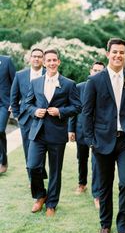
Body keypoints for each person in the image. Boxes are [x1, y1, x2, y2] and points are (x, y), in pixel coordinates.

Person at [82, 38, 125, 233]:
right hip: (102, 141)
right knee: (105, 186)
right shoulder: (95, 81)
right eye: (114, 52)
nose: (118, 56)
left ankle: (123, 231)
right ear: (108, 54)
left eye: (122, 52)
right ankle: (105, 225)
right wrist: (91, 140)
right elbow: (87, 113)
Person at [25, 49, 81, 217]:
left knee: (55, 170)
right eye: (48, 60)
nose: (51, 63)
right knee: (32, 166)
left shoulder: (69, 84)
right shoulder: (35, 83)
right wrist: (35, 111)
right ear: (43, 62)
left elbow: (77, 106)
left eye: (54, 60)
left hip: (57, 134)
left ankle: (51, 203)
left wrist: (61, 111)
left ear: (59, 62)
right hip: (38, 133)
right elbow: (27, 104)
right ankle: (40, 195)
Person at [68, 61, 105, 209]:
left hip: (99, 133)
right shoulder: (79, 87)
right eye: (94, 70)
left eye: (100, 71)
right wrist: (71, 129)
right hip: (81, 129)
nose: (96, 73)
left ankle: (97, 194)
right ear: (90, 71)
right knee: (81, 158)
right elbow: (74, 109)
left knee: (97, 163)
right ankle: (81, 183)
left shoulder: (105, 88)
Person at [10, 48, 48, 181]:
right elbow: (13, 97)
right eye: (34, 56)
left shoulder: (48, 73)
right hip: (25, 120)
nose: (36, 59)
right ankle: (32, 178)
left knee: (41, 148)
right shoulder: (20, 75)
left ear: (43, 59)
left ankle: (40, 176)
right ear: (30, 58)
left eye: (39, 56)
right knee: (28, 149)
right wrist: (17, 115)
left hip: (44, 119)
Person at [0, 54, 16, 173]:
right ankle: (3, 161)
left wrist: (14, 101)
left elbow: (16, 82)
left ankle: (3, 162)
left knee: (0, 130)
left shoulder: (6, 61)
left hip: (4, 104)